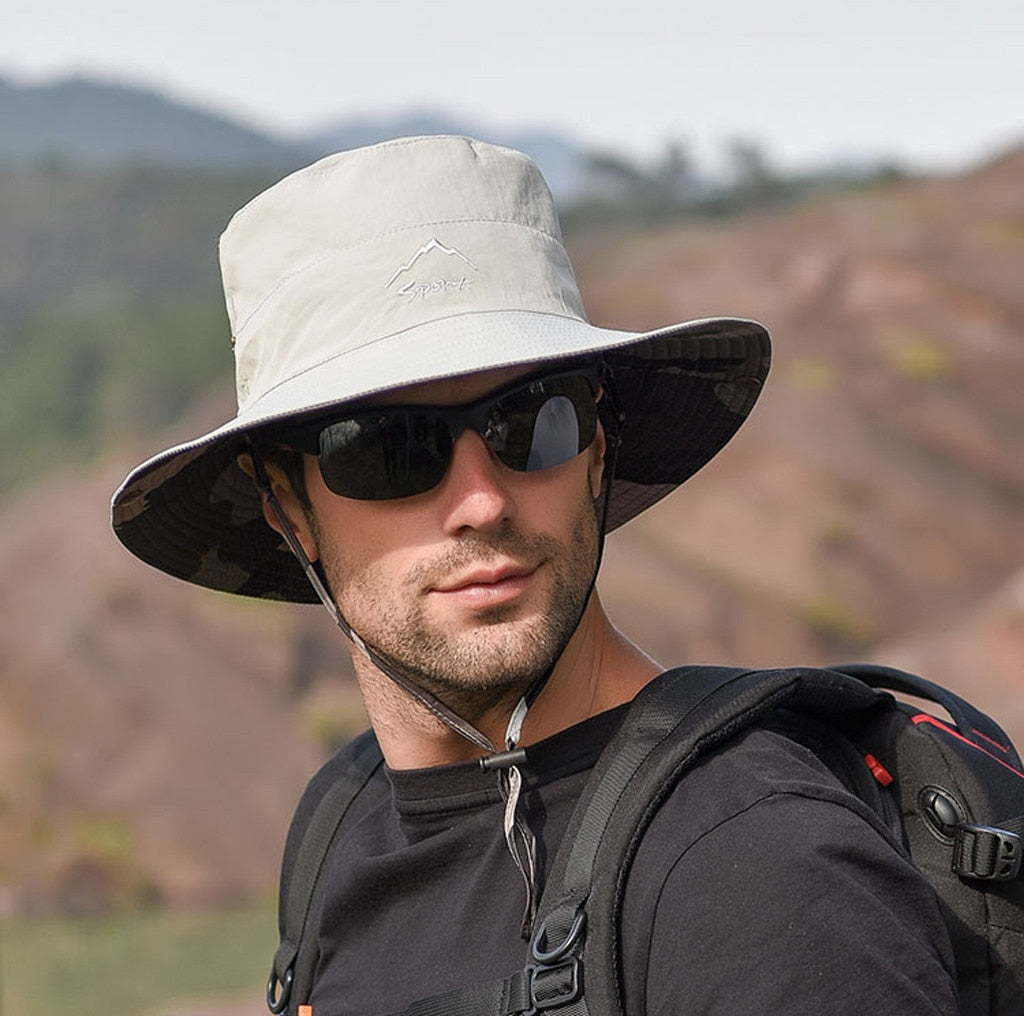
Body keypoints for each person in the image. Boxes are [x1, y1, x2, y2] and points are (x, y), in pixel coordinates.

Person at [112, 136, 958, 1014]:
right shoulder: (340, 827)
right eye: (388, 450)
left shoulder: (757, 873)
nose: (482, 500)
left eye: (531, 421)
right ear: (287, 507)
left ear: (598, 444)